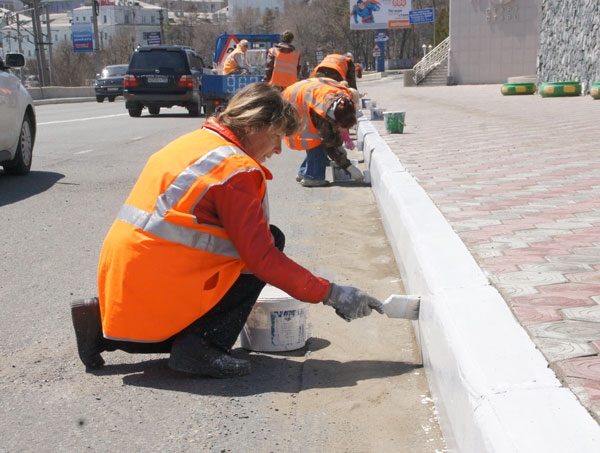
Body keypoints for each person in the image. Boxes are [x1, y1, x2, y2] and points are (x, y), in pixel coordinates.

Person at [71, 83, 414, 378]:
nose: (278, 149)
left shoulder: (198, 142)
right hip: (158, 276)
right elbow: (262, 259)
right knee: (267, 245)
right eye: (278, 136)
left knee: (252, 248)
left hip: (130, 278)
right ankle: (201, 347)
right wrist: (331, 292)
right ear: (254, 125)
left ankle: (99, 325)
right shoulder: (235, 170)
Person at [282, 77, 364, 187]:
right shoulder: (323, 113)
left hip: (299, 94)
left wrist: (339, 146)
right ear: (335, 120)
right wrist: (348, 166)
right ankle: (312, 177)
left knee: (316, 141)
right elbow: (329, 143)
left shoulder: (342, 99)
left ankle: (304, 172)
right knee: (316, 143)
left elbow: (333, 135)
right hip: (293, 102)